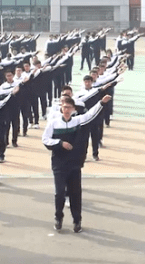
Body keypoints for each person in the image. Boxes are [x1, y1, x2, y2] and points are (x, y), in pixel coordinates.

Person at [42, 94, 112, 233]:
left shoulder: (78, 121)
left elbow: (91, 114)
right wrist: (60, 143)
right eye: (64, 107)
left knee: (75, 193)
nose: (66, 109)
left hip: (74, 163)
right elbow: (45, 139)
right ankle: (58, 217)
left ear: (73, 109)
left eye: (69, 107)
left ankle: (77, 220)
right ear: (61, 108)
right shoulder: (54, 123)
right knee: (60, 193)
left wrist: (101, 103)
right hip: (59, 163)